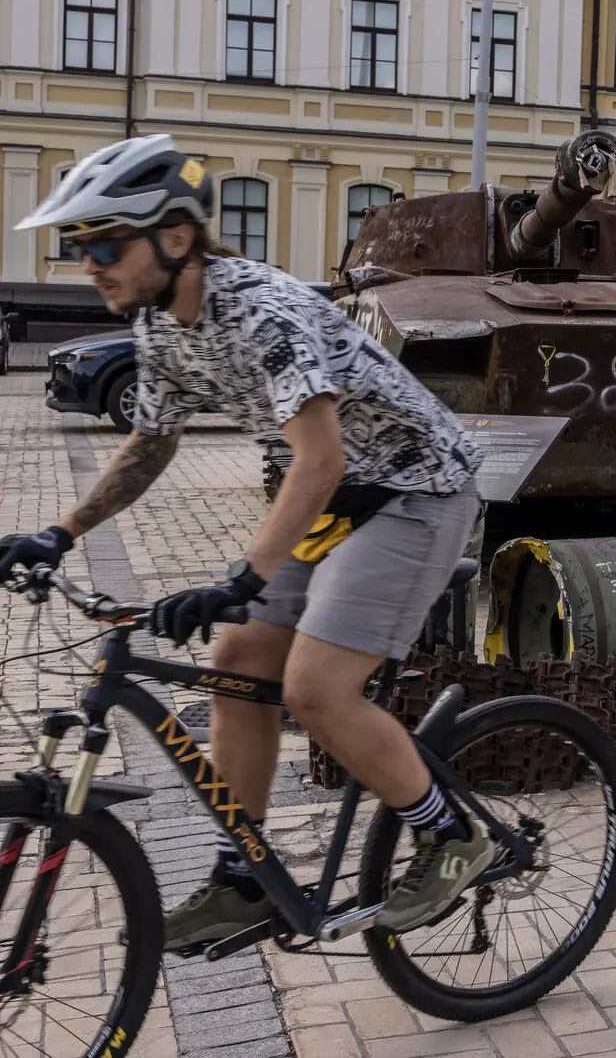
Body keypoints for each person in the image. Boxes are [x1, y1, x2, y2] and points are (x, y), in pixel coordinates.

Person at [0, 135, 485, 951]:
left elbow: (320, 456)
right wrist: (60, 531)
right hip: (340, 496)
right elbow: (153, 441)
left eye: (106, 244)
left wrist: (241, 575)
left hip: (416, 487)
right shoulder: (162, 324)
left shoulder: (262, 307)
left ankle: (449, 836)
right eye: (80, 249)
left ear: (177, 237)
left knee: (317, 690)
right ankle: (245, 877)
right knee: (236, 660)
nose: (91, 266)